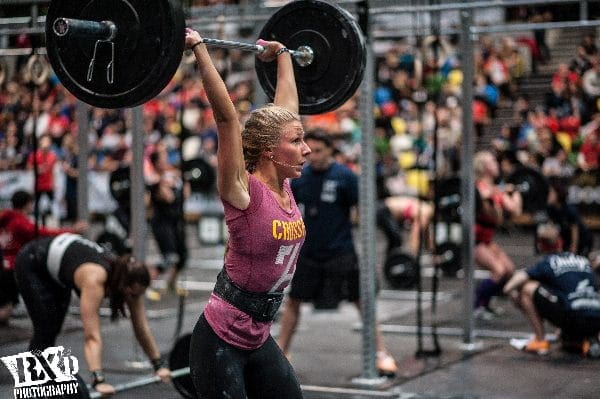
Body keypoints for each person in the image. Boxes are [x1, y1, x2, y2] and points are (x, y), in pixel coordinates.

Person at [185, 28, 310, 399]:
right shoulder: (243, 191)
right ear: (271, 151)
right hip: (219, 342)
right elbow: (226, 120)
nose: (305, 149)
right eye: (297, 141)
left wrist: (284, 53)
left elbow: (287, 108)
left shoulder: (284, 186)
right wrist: (199, 49)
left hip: (257, 336)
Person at [277, 130, 398, 377]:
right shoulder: (301, 178)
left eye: (319, 151)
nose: (313, 156)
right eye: (310, 151)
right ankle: (280, 354)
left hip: (340, 252)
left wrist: (388, 237)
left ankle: (381, 353)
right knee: (293, 303)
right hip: (309, 252)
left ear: (331, 150)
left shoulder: (345, 177)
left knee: (362, 300)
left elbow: (366, 209)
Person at [13, 233, 171, 397]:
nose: (133, 298)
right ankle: (34, 386)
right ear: (125, 285)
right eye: (131, 294)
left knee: (53, 327)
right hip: (33, 262)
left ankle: (45, 383)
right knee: (46, 328)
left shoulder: (129, 281)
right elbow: (91, 336)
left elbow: (141, 326)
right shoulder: (95, 279)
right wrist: (99, 380)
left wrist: (158, 364)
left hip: (59, 267)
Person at [503, 223, 600, 356]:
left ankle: (540, 341)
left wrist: (509, 292)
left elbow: (518, 279)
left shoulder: (548, 262)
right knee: (571, 300)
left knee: (527, 288)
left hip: (574, 318)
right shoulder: (582, 260)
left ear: (540, 246)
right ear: (560, 242)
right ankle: (585, 340)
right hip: (596, 319)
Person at [0, 190, 87, 325]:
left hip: (4, 265)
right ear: (27, 204)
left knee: (7, 304)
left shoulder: (6, 218)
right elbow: (44, 233)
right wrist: (72, 230)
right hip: (13, 268)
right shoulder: (20, 223)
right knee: (7, 307)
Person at [473, 150, 522, 320]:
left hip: (487, 240)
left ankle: (485, 303)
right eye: (492, 161)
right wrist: (499, 193)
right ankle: (477, 306)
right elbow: (485, 200)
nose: (497, 164)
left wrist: (516, 191)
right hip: (475, 240)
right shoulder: (478, 187)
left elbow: (514, 209)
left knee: (509, 270)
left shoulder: (495, 189)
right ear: (484, 167)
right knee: (499, 271)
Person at [147, 146, 189, 291]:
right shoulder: (154, 180)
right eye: (163, 157)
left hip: (176, 222)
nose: (166, 160)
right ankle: (144, 283)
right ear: (157, 162)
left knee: (182, 257)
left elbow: (185, 194)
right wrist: (169, 183)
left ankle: (171, 284)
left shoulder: (173, 176)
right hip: (162, 223)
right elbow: (169, 198)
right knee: (169, 257)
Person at [545, 177, 594, 257]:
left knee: (578, 261)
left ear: (558, 194)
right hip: (566, 239)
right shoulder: (551, 209)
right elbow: (553, 227)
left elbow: (575, 230)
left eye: (551, 193)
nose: (548, 195)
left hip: (583, 240)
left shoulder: (569, 209)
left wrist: (574, 249)